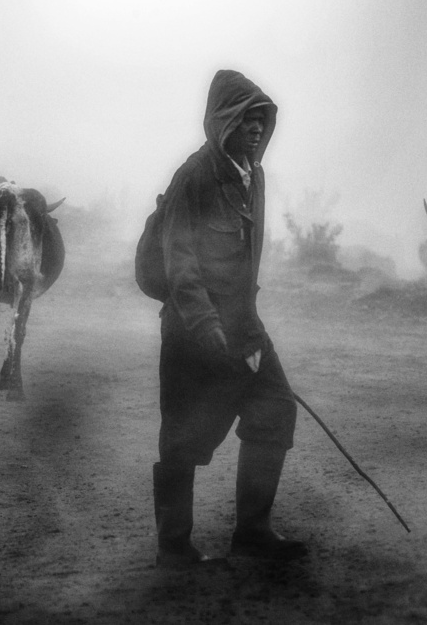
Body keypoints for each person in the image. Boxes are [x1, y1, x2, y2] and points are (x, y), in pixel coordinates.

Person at [152, 69, 307, 568]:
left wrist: (246, 329)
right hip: (192, 332)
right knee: (184, 437)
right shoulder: (193, 177)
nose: (257, 128)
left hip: (244, 325)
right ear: (223, 123)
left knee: (275, 409)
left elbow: (242, 265)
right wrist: (208, 330)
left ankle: (253, 533)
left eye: (262, 119)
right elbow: (181, 264)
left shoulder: (253, 176)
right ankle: (174, 547)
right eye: (246, 119)